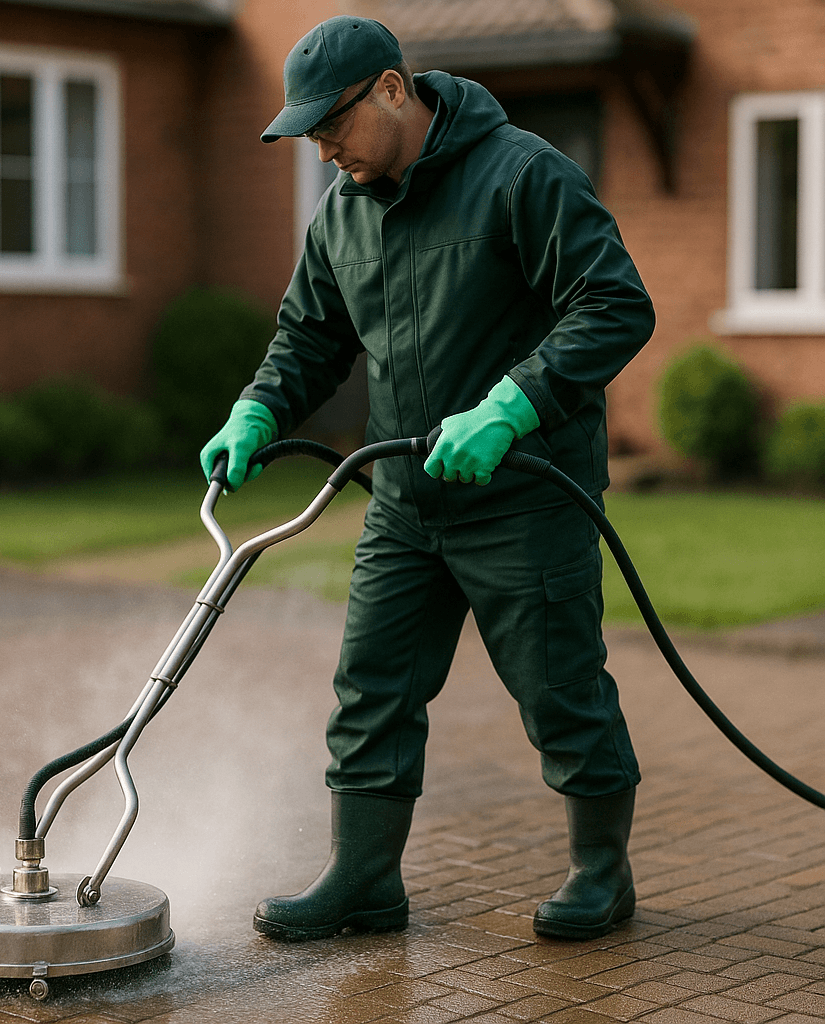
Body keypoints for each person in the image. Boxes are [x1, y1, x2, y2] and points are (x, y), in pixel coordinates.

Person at [200, 15, 656, 943]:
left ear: (394, 90)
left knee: (560, 690)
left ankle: (601, 876)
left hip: (526, 494)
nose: (323, 149)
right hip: (405, 503)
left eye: (331, 125)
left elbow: (616, 305)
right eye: (309, 135)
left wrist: (510, 408)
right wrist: (256, 410)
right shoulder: (341, 214)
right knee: (371, 690)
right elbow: (308, 339)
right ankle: (364, 882)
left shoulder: (522, 175)